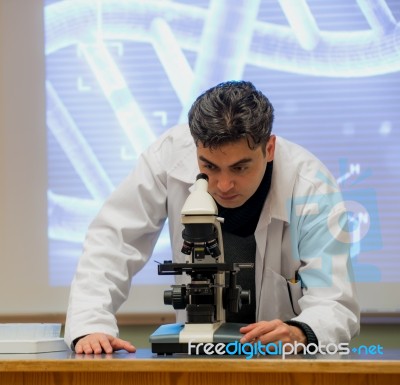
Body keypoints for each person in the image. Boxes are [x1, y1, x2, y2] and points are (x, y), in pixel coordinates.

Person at [65, 80, 360, 354]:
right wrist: (90, 326)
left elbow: (334, 300)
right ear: (195, 146)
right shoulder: (168, 156)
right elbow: (113, 242)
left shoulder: (311, 186)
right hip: (198, 359)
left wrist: (300, 332)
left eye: (240, 168)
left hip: (279, 363)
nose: (223, 185)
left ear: (268, 148)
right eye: (210, 166)